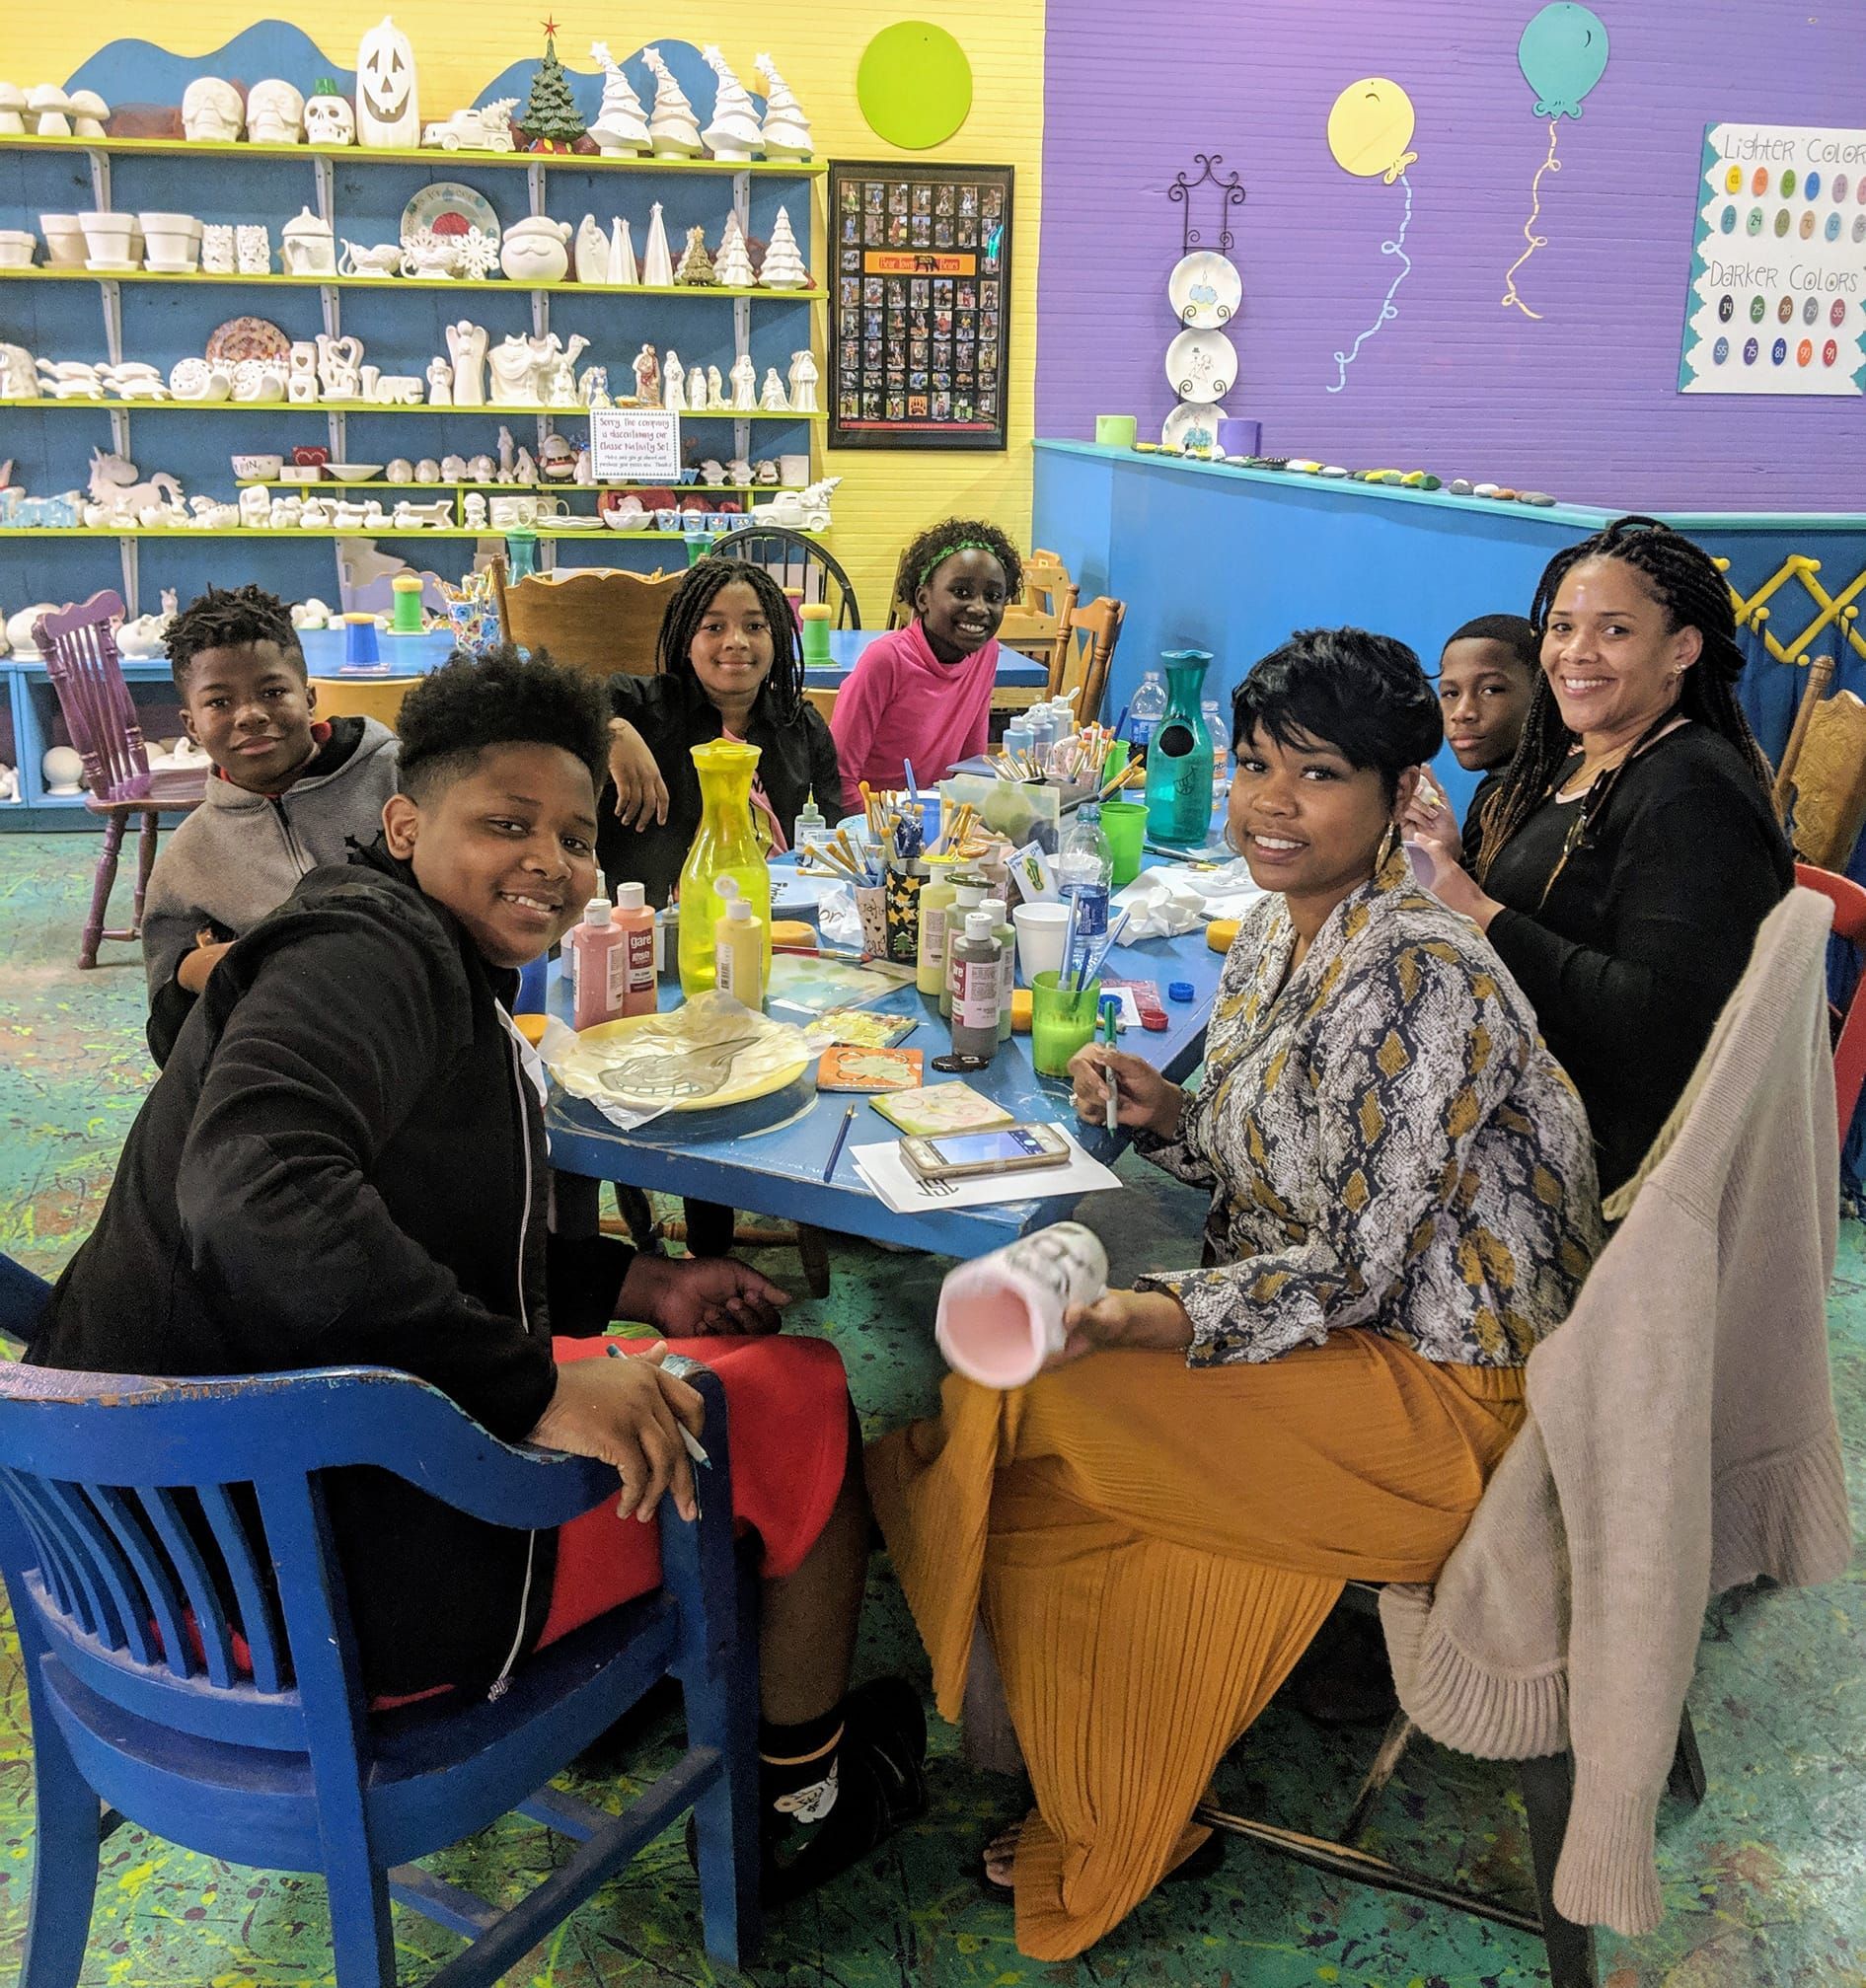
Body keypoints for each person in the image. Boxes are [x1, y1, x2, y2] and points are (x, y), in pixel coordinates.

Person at [31, 646, 926, 1902]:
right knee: (804, 1394)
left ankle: (650, 1645)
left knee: (690, 1362)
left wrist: (639, 1286)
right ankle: (801, 1794)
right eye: (504, 823)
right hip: (293, 1591)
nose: (549, 862)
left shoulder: (393, 953)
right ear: (402, 824)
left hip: (141, 1555)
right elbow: (255, 1190)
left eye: (570, 833)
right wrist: (530, 1388)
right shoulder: (369, 952)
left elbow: (416, 1232)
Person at [866, 627, 1603, 1960]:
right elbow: (1292, 1153)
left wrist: (1142, 1314)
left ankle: (1091, 1773)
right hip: (1345, 1335)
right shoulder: (1277, 928)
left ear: (1397, 794)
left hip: (1446, 1396)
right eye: (1256, 762)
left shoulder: (1416, 972)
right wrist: (1172, 1116)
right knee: (1038, 1417)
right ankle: (1110, 1770)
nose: (1270, 801)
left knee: (1033, 1402)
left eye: (1315, 773)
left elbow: (1352, 1266)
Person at [1405, 515, 1793, 1197]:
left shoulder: (1689, 789)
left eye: (1613, 630)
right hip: (1526, 1088)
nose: (1575, 653)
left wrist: (1474, 907)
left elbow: (1664, 1024)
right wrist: (1453, 861)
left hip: (1600, 1160)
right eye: (1561, 628)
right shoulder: (1582, 760)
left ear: (1682, 648)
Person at [141, 584, 400, 1065]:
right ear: (191, 726)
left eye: (273, 691)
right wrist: (194, 970)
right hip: (288, 1060)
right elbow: (170, 1035)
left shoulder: (395, 778)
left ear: (310, 696)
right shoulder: (188, 858)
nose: (251, 715)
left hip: (417, 1026)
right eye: (219, 702)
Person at [600, 558, 841, 908]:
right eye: (714, 628)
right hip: (663, 926)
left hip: (788, 919)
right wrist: (611, 728)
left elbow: (830, 839)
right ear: (687, 641)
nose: (736, 641)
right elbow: (549, 705)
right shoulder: (644, 709)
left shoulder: (801, 726)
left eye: (755, 626)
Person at [829, 519, 1024, 812]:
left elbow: (971, 767)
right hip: (877, 827)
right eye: (961, 592)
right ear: (923, 599)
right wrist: (888, 834)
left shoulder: (986, 653)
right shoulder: (885, 660)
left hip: (938, 823)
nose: (980, 608)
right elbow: (839, 780)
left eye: (994, 597)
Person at [1429, 612, 1538, 863]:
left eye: (1491, 690)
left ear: (1543, 692)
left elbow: (1477, 902)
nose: (1462, 713)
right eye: (1450, 693)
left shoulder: (1504, 798)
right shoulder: (1499, 789)